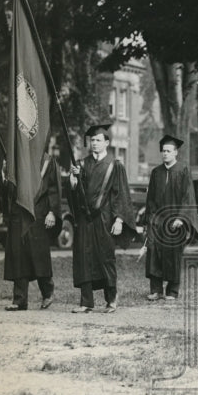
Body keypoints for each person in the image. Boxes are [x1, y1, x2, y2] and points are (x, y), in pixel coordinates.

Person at [67, 123, 132, 313]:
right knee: (84, 258)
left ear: (107, 142)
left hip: (105, 219)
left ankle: (111, 299)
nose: (94, 143)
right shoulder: (81, 164)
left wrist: (119, 219)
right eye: (92, 140)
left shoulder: (115, 165)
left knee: (105, 258)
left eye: (98, 140)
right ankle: (86, 302)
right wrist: (73, 180)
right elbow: (75, 194)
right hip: (85, 219)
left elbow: (121, 194)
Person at [0, 151, 61, 311]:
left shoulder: (46, 161)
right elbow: (5, 191)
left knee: (38, 256)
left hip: (38, 214)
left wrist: (52, 211)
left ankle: (47, 292)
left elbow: (54, 189)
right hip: (18, 213)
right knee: (18, 256)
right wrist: (4, 172)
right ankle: (20, 300)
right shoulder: (15, 157)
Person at [143, 134, 198, 302]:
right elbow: (151, 198)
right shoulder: (156, 172)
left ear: (176, 153)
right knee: (154, 252)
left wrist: (181, 218)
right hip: (158, 220)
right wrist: (150, 218)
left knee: (173, 254)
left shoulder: (183, 170)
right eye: (163, 151)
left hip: (176, 221)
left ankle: (172, 291)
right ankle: (156, 289)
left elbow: (187, 196)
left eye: (168, 151)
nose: (165, 154)